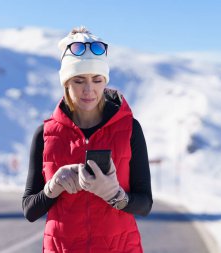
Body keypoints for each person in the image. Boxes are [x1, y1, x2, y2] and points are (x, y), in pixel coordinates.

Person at [22, 26, 153, 253]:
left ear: (105, 81)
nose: (89, 90)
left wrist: (116, 195)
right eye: (79, 80)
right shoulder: (45, 135)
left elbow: (145, 204)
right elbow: (29, 210)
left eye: (97, 79)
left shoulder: (130, 129)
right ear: (66, 82)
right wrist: (53, 188)